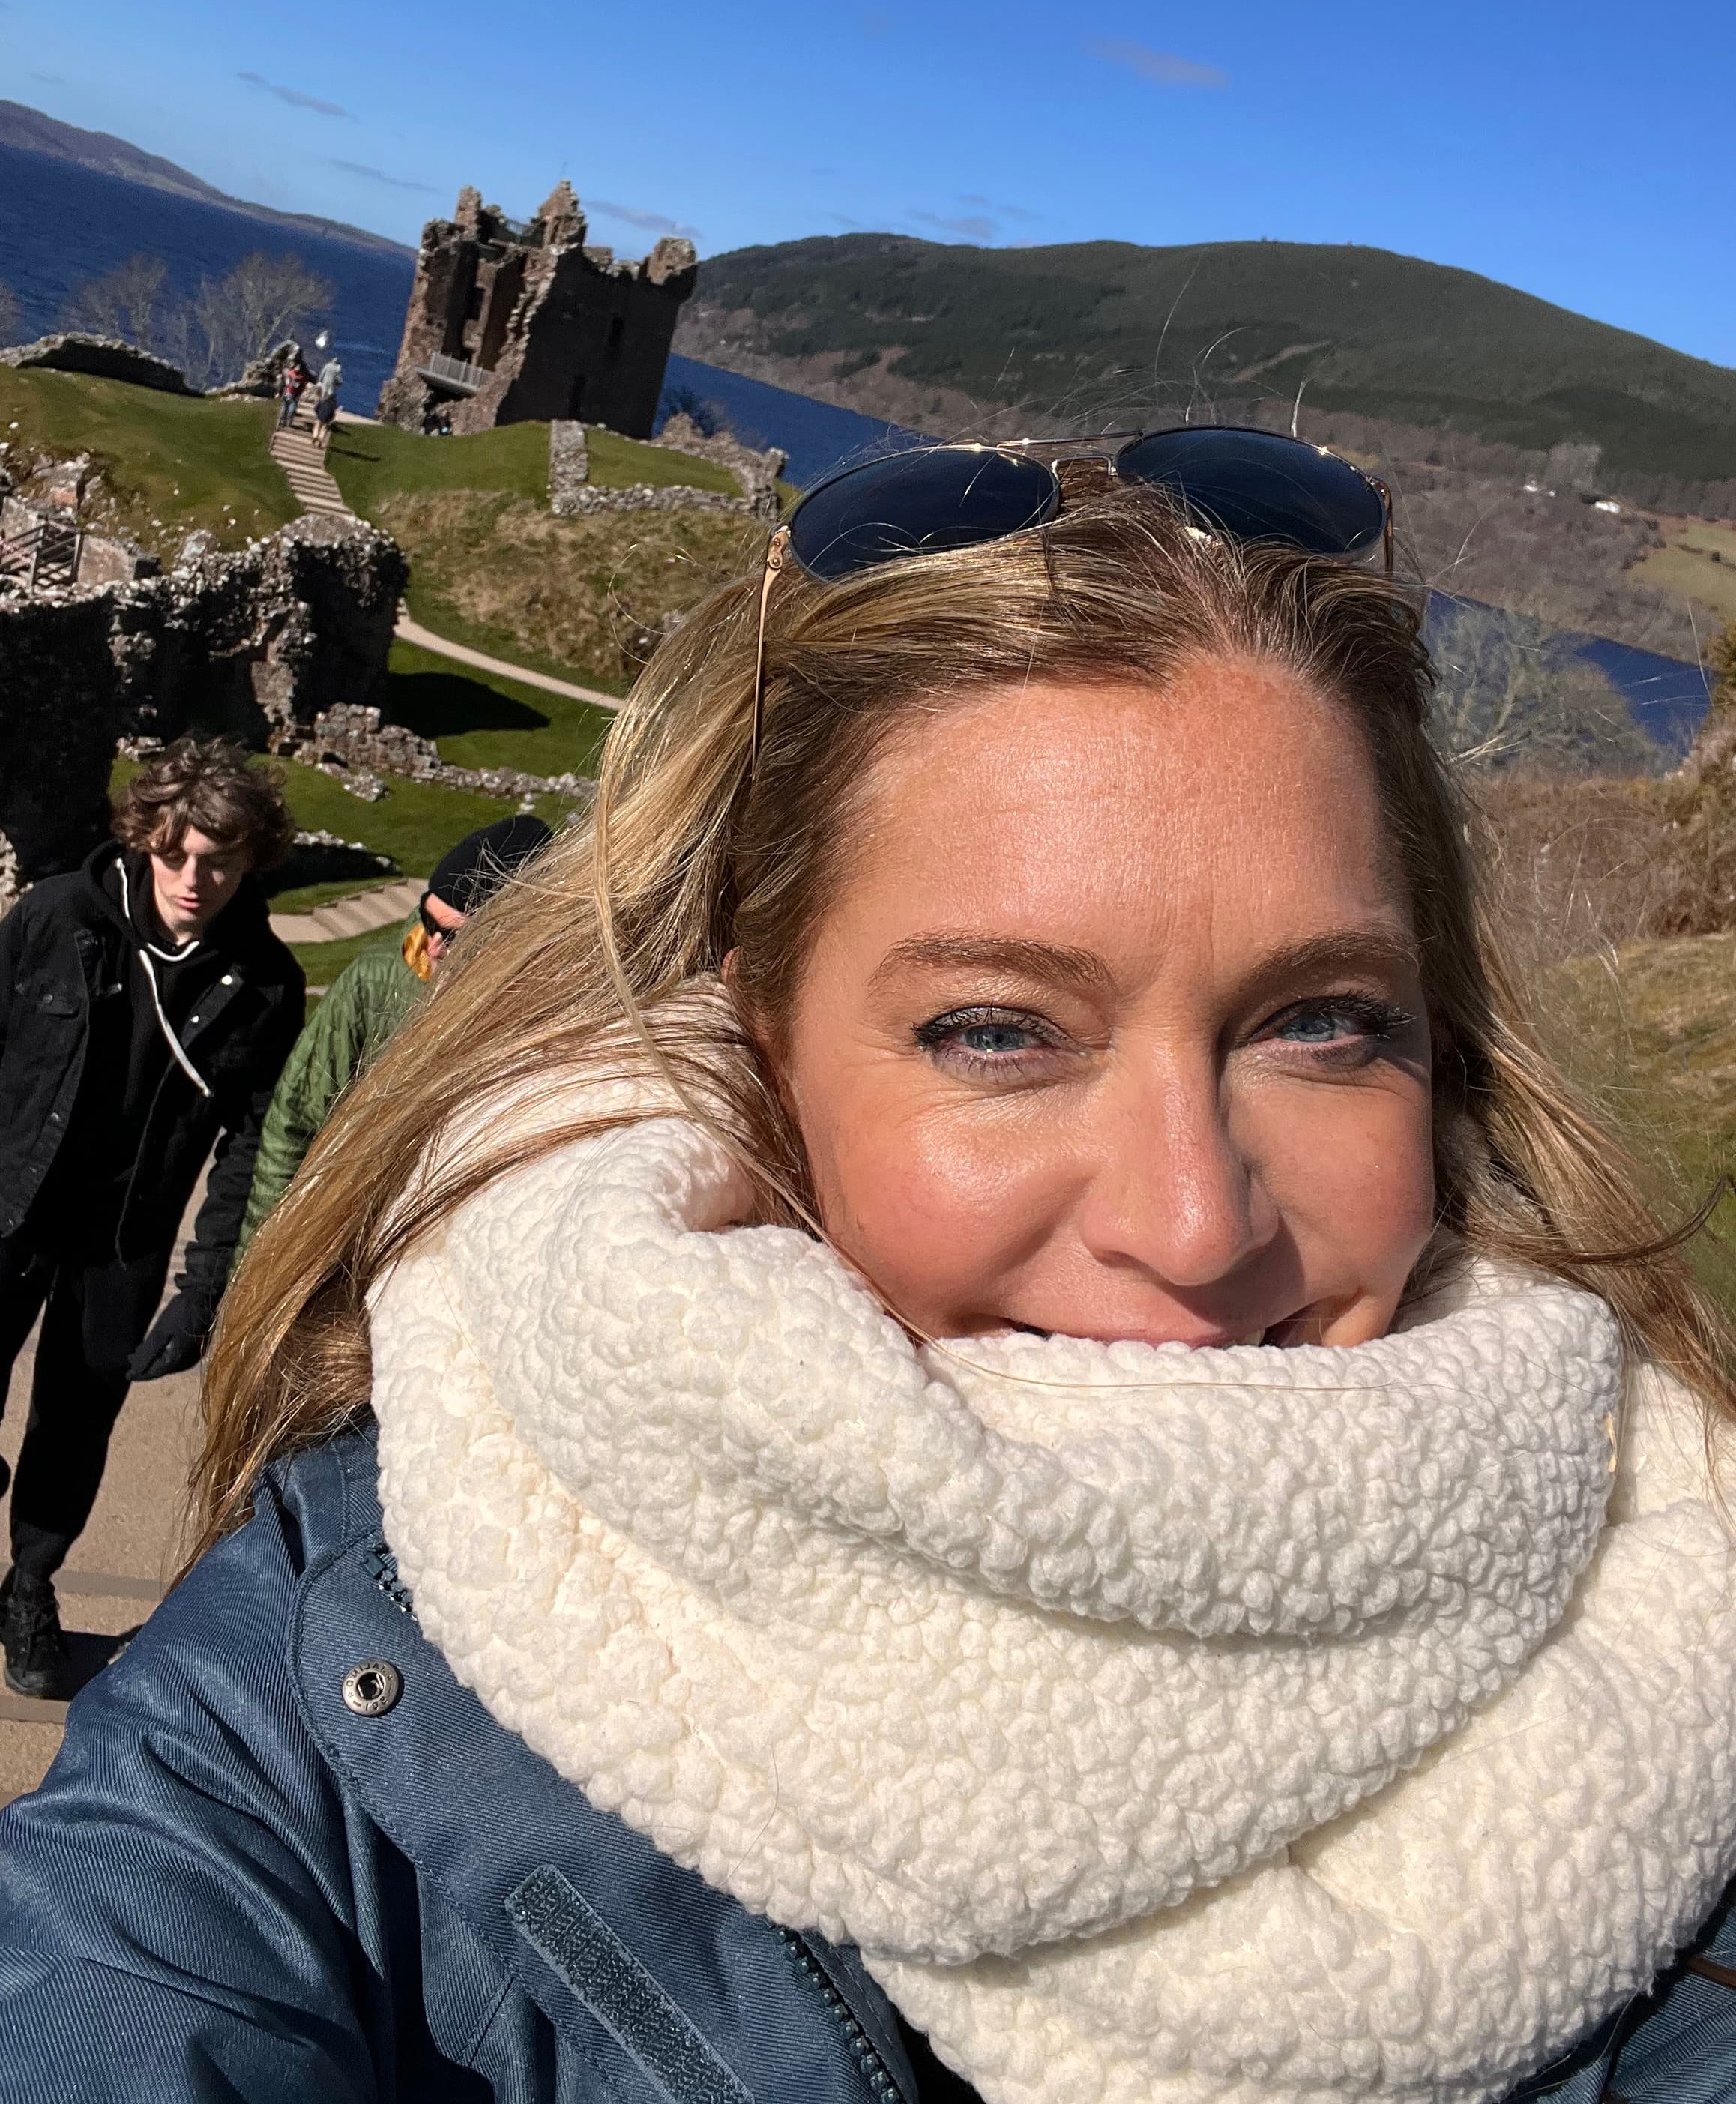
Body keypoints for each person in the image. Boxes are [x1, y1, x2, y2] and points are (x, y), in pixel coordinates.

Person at [4, 432, 1736, 2103]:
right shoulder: (343, 1672)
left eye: (1317, 1020)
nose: (1192, 1224)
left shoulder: (1677, 1658)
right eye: (995, 1030)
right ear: (749, 1054)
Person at [0, 738, 303, 1700]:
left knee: (75, 1421)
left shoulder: (265, 984)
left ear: (253, 858)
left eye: (220, 858)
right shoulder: (56, 915)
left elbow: (249, 1150)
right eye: (176, 853)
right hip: (11, 1205)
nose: (194, 878)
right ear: (143, 839)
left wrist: (205, 1286)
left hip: (123, 1240)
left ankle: (31, 1584)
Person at [238, 815, 552, 1248]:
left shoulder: (546, 1018)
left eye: (456, 935)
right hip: (340, 1240)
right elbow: (293, 1127)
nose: (432, 946)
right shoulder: (375, 981)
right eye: (428, 918)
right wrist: (258, 1262)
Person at [274, 348, 306, 429]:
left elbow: (301, 386)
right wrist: (280, 392)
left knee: (289, 410)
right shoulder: (292, 374)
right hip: (288, 393)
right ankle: (282, 423)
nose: (297, 368)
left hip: (292, 395)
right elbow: (285, 383)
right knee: (285, 409)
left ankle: (286, 424)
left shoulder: (299, 377)